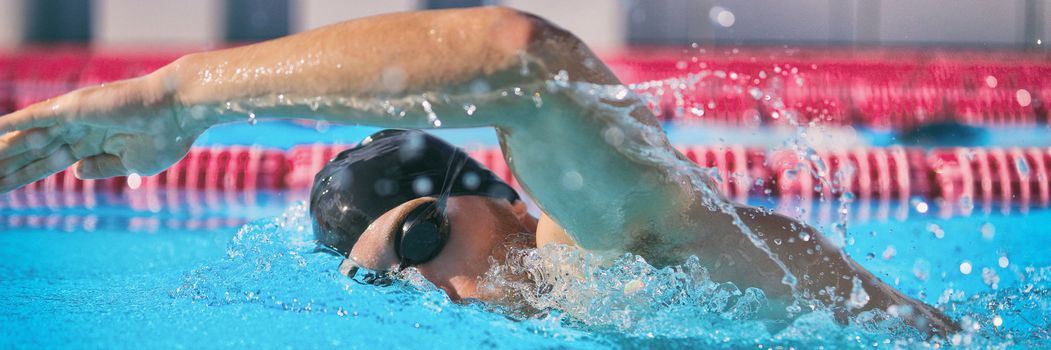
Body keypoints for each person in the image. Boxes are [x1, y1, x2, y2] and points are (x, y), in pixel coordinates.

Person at [0, 6, 956, 335]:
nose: (439, 289)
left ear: (500, 189)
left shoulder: (612, 243)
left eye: (422, 234)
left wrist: (186, 96)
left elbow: (519, 58)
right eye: (394, 277)